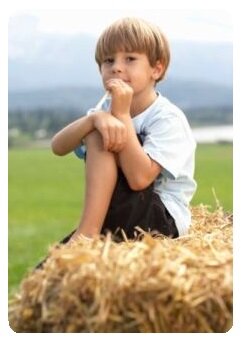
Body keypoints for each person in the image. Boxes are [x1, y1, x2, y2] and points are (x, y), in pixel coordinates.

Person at [51, 17, 197, 244]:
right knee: (47, 271)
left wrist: (121, 115)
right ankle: (88, 233)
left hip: (159, 217)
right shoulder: (104, 110)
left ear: (156, 69)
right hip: (116, 209)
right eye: (108, 61)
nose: (116, 67)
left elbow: (140, 179)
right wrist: (93, 120)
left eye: (130, 59)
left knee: (102, 132)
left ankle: (87, 235)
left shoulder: (168, 118)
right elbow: (57, 147)